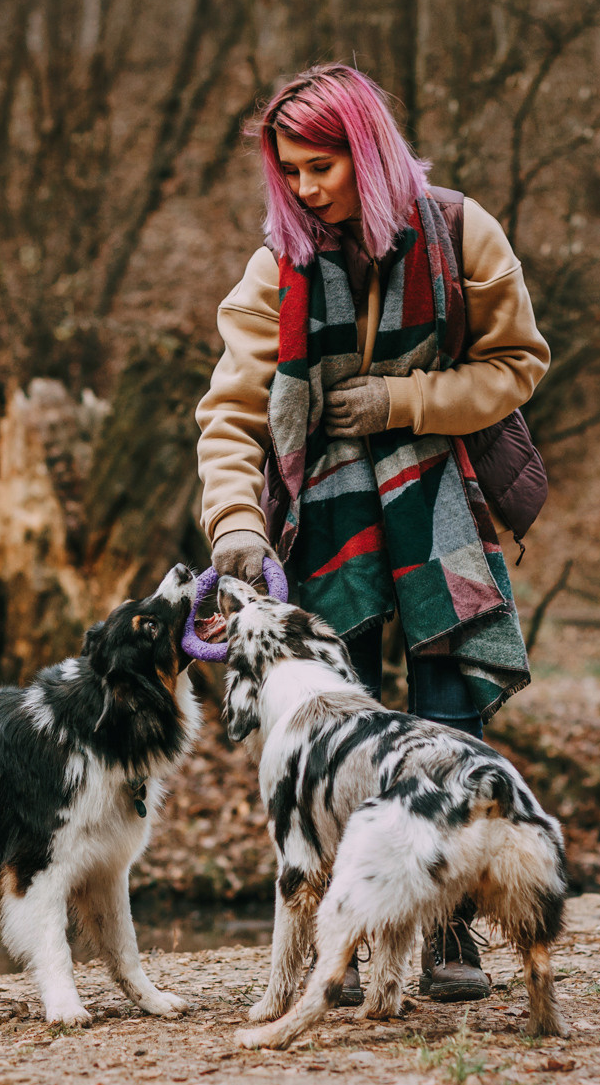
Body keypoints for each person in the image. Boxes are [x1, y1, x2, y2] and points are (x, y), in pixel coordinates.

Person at [194, 63, 550, 1004]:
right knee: (333, 723)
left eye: (322, 166)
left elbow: (517, 362)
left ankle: (450, 927)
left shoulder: (463, 231)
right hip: (323, 508)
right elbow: (230, 412)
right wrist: (236, 521)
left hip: (437, 492)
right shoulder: (277, 265)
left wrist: (401, 401)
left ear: (368, 150)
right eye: (290, 171)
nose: (305, 188)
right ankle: (338, 938)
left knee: (448, 708)